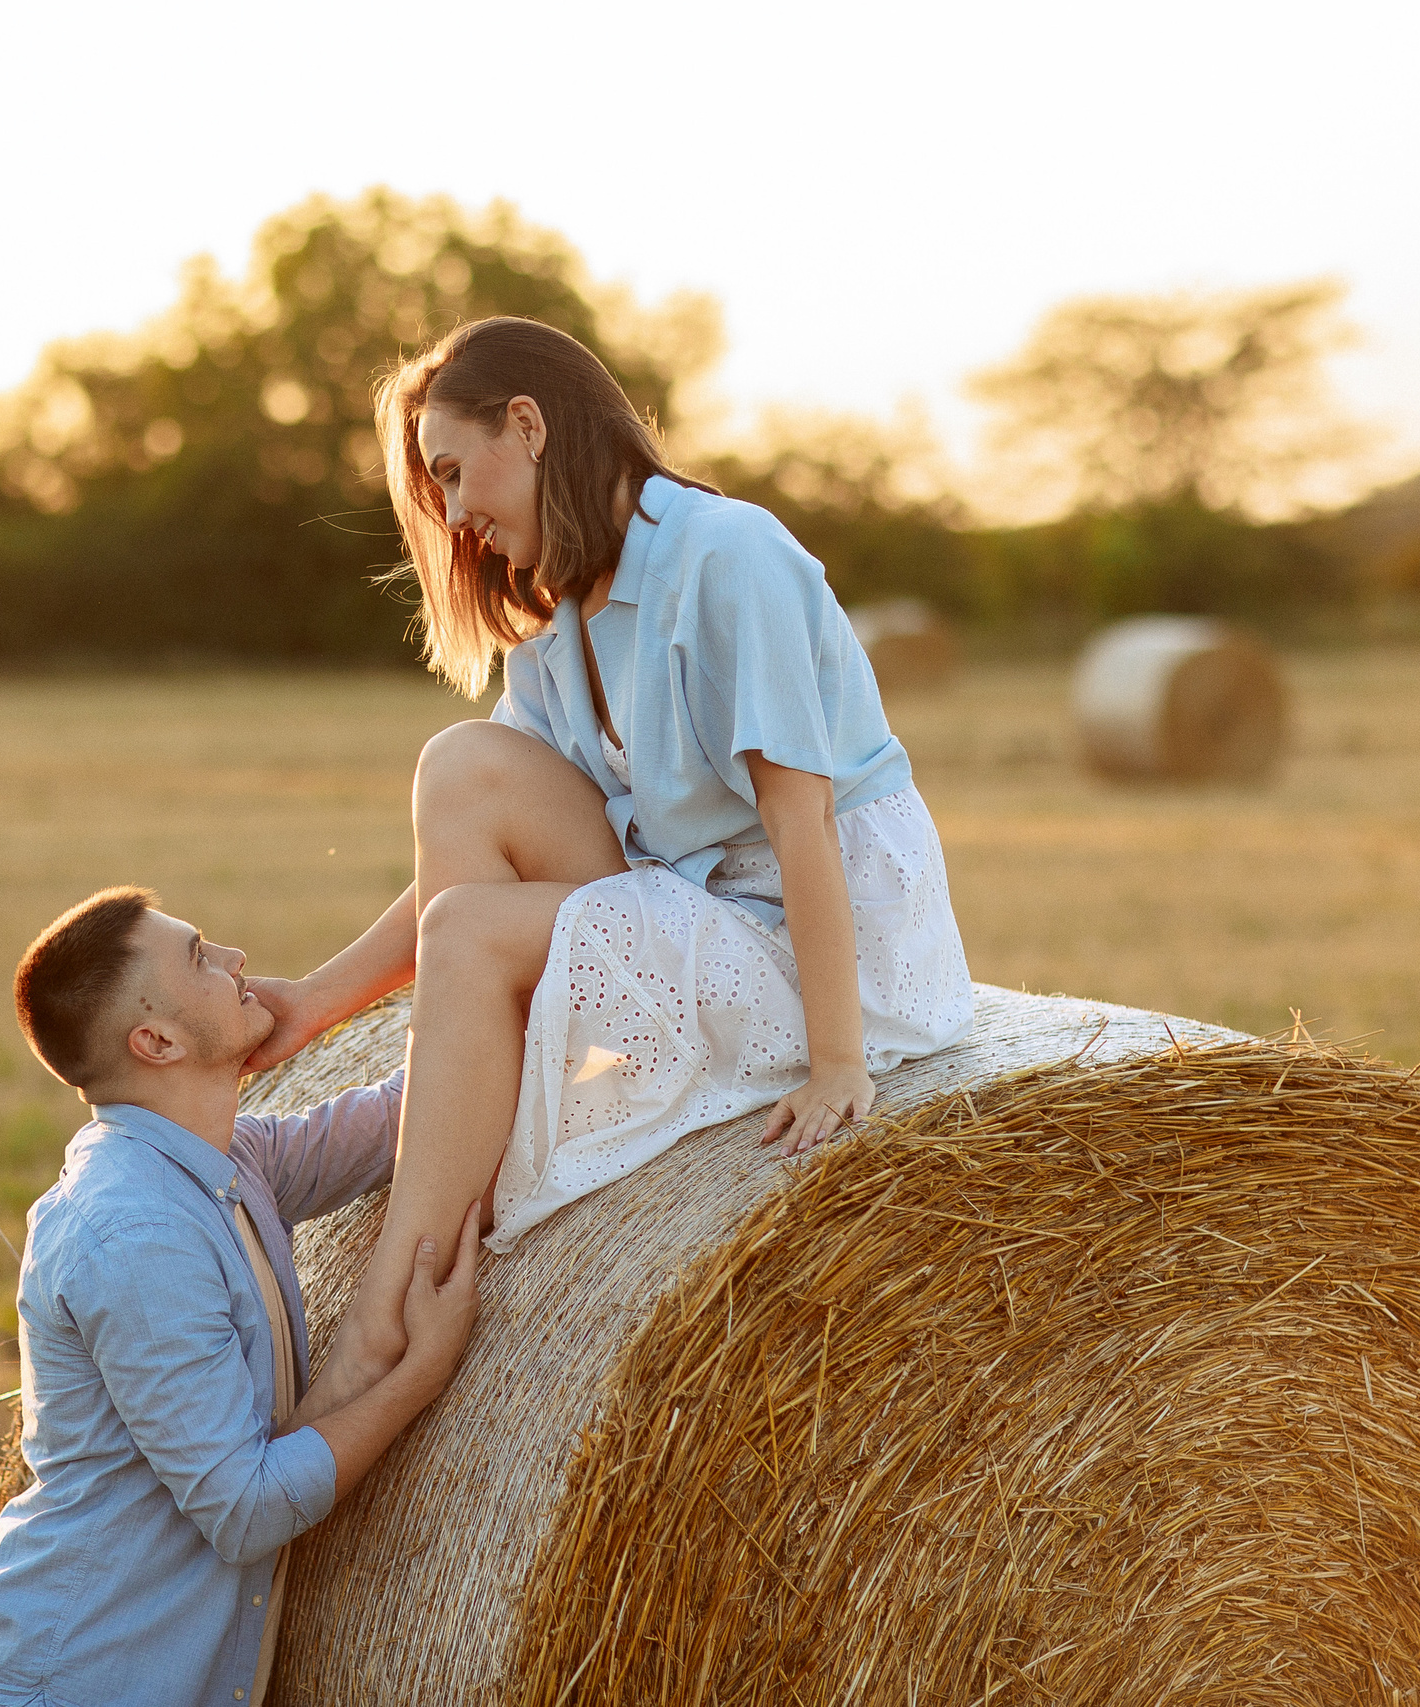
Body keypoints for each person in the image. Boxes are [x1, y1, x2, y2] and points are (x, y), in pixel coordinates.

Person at [241, 316, 974, 1395]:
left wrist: (838, 1063)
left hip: (833, 940)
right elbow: (470, 848)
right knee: (460, 765)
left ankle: (392, 1298)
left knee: (473, 929)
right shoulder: (563, 623)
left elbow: (801, 825)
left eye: (453, 471)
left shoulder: (730, 558)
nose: (453, 515)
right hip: (700, 906)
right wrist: (313, 1002)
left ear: (527, 426)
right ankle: (456, 1129)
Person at [0, 887, 482, 1707]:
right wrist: (421, 1370)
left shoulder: (225, 1162)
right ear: (154, 1040)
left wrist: (514, 982)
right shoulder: (132, 1234)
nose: (235, 960)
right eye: (198, 955)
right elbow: (246, 1507)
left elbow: (403, 1119)